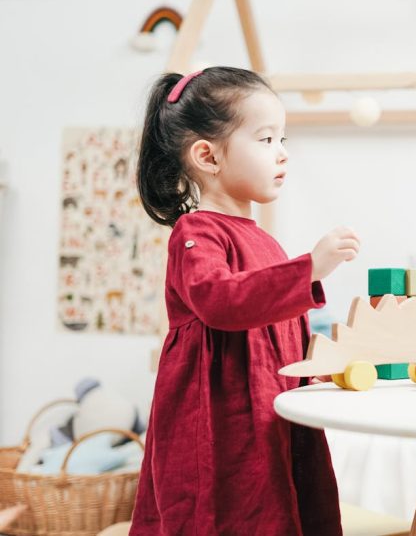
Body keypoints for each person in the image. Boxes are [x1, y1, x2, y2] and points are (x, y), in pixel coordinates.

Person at [131, 67, 359, 534]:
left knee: (283, 506)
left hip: (270, 414)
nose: (283, 154)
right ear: (207, 157)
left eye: (283, 139)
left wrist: (322, 377)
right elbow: (221, 302)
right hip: (220, 420)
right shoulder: (196, 234)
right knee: (227, 512)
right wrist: (308, 268)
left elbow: (287, 333)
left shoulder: (266, 243)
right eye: (266, 139)